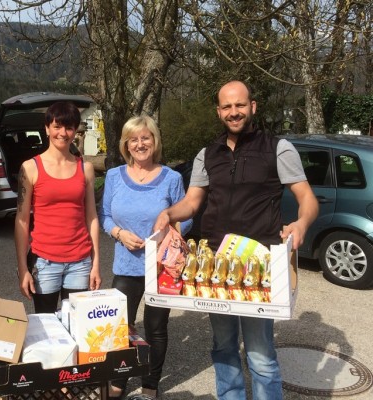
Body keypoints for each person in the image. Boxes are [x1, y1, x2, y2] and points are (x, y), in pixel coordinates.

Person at [154, 80, 319, 399]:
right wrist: (170, 214)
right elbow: (192, 202)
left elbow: (307, 197)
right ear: (218, 112)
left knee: (260, 354)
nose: (234, 112)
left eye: (240, 105)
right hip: (217, 266)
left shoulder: (278, 148)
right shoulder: (207, 154)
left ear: (253, 107)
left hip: (259, 266)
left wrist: (301, 223)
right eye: (227, 107)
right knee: (224, 347)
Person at [99, 115, 192, 399]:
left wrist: (168, 235)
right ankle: (118, 385)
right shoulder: (114, 176)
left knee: (156, 329)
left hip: (161, 269)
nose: (140, 144)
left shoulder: (172, 178)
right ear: (126, 144)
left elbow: (185, 218)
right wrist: (118, 233)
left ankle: (150, 388)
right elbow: (103, 216)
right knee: (120, 330)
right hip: (126, 267)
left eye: (146, 137)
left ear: (155, 141)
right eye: (134, 139)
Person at [15, 101, 101, 313]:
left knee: (78, 328)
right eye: (57, 126)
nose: (63, 133)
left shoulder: (86, 168)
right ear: (46, 128)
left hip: (80, 262)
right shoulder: (30, 168)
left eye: (69, 127)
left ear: (75, 131)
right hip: (44, 263)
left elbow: (91, 217)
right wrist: (22, 268)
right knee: (46, 326)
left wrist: (96, 262)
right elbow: (22, 220)